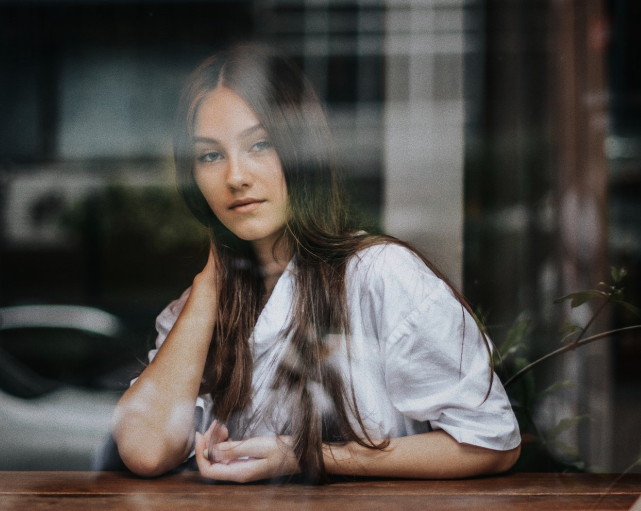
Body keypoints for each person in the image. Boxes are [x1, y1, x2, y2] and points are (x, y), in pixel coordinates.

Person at [112, 44, 521, 483]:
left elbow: (489, 442)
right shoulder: (199, 310)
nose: (235, 176)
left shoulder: (379, 275)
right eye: (210, 155)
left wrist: (309, 456)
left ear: (299, 150)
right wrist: (212, 279)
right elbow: (147, 451)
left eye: (260, 144)